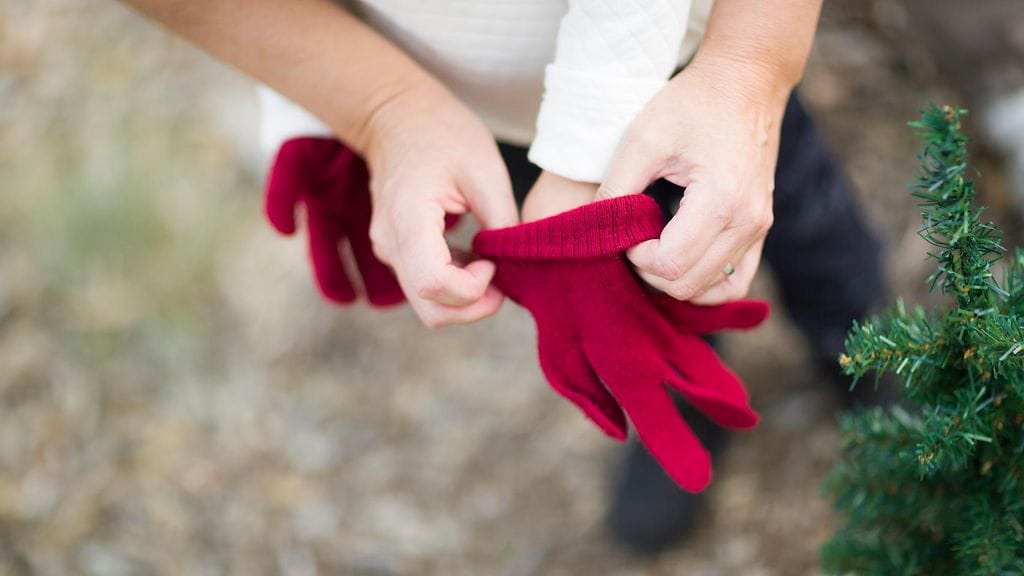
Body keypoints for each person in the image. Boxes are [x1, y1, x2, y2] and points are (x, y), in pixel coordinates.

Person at [120, 0, 887, 554]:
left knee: (794, 214)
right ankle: (679, 400)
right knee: (616, 304)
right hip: (470, 112)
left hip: (676, 70)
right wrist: (354, 110)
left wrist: (581, 154)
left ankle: (865, 347)